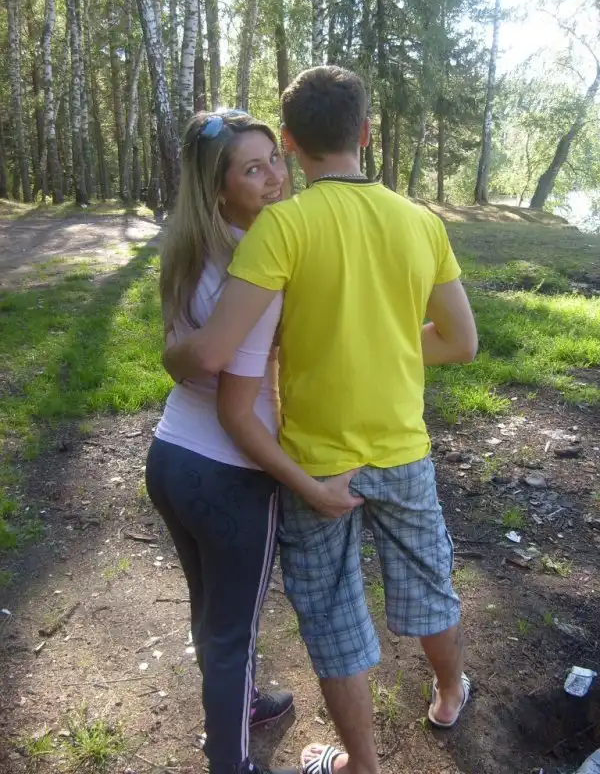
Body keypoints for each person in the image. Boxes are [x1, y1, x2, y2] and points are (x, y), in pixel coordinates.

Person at [164, 68, 478, 774]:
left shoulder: (282, 225)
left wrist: (174, 351)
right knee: (430, 585)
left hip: (316, 463)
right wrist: (387, 341)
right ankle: (449, 694)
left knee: (334, 617)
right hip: (403, 448)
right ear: (364, 133)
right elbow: (461, 342)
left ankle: (361, 764)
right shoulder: (421, 222)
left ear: (290, 143)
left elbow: (217, 350)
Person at [146, 109, 359, 774]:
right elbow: (235, 406)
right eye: (252, 169)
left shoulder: (189, 250)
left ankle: (241, 704)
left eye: (275, 160)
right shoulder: (258, 266)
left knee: (211, 610)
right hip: (230, 475)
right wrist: (311, 489)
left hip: (170, 457)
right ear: (219, 189)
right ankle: (230, 761)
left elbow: (183, 355)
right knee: (232, 632)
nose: (275, 178)